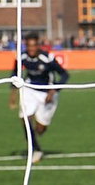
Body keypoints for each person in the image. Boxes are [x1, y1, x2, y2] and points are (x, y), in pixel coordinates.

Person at [9, 33, 69, 164]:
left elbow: (64, 75)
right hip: (29, 89)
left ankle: (35, 135)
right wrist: (13, 95)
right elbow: (15, 74)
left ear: (38, 46)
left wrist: (54, 90)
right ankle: (36, 149)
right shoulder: (21, 57)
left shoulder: (47, 59)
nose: (31, 49)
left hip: (47, 93)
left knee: (40, 130)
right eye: (29, 46)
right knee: (24, 119)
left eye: (34, 46)